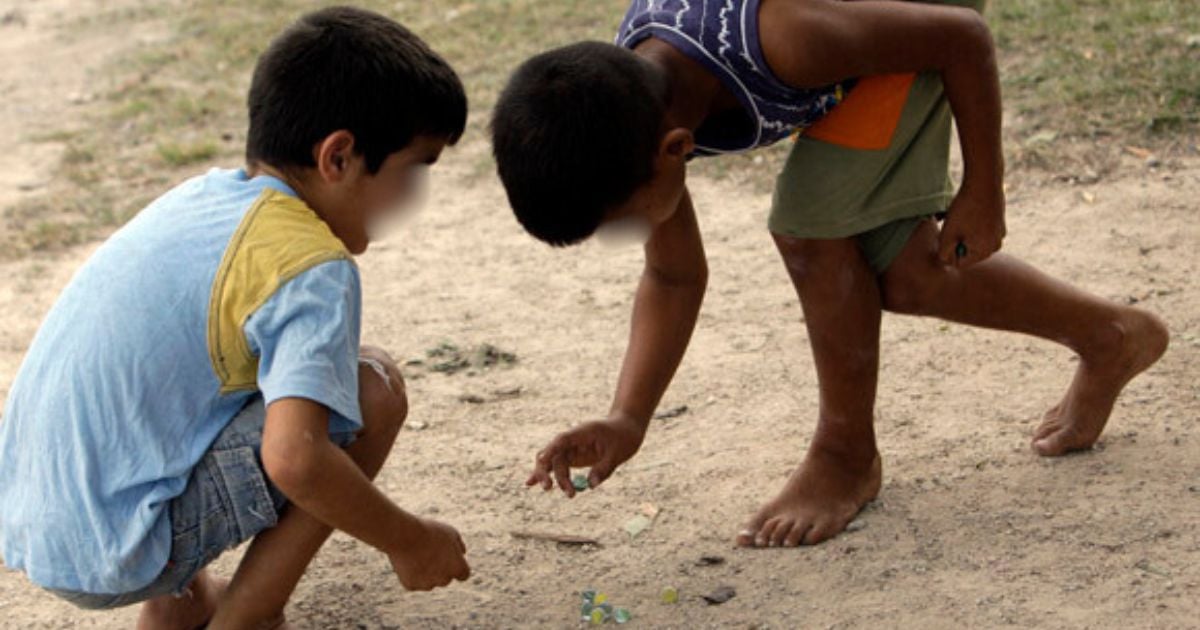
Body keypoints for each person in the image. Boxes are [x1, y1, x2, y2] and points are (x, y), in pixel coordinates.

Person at [490, 0, 1169, 549]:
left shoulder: (789, 38)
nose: (633, 238)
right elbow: (673, 277)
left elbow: (963, 35)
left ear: (676, 151)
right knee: (905, 274)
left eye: (625, 225)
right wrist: (627, 417)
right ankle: (1111, 336)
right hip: (863, 44)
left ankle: (845, 457)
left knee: (811, 231)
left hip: (921, 19)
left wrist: (983, 187)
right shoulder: (636, 103)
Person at [0, 7, 471, 628]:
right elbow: (295, 460)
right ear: (339, 157)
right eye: (412, 173)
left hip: (36, 519)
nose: (412, 201)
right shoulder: (310, 266)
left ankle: (182, 609)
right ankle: (246, 618)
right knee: (371, 388)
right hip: (112, 548)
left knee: (220, 379)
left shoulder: (204, 200)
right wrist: (410, 540)